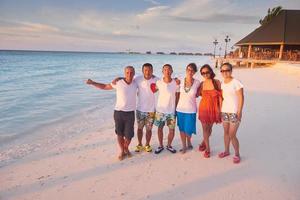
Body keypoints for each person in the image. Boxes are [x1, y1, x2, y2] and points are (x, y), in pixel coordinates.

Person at [86, 66, 137, 161]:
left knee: (129, 135)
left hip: (130, 113)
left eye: (131, 72)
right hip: (118, 113)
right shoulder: (118, 83)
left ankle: (126, 148)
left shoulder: (136, 83)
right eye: (127, 72)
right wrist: (93, 83)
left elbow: (147, 78)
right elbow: (105, 86)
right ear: (124, 73)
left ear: (134, 73)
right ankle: (122, 150)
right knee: (120, 134)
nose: (129, 74)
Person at [218, 63, 244, 164]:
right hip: (224, 111)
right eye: (223, 71)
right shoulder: (222, 83)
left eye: (227, 70)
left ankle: (237, 154)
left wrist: (239, 111)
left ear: (231, 70)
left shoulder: (236, 82)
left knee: (232, 134)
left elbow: (241, 97)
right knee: (225, 133)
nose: (225, 72)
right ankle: (226, 151)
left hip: (234, 112)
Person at [151, 64, 179, 154]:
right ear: (162, 72)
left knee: (172, 130)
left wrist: (176, 108)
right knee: (160, 128)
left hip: (171, 111)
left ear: (172, 71)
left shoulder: (176, 83)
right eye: (165, 70)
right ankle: (160, 145)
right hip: (160, 111)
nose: (167, 71)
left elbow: (178, 96)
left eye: (169, 69)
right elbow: (151, 84)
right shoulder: (158, 82)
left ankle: (169, 145)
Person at [198, 64, 222, 158]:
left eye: (207, 72)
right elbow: (197, 94)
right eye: (203, 73)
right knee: (205, 129)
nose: (205, 74)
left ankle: (203, 142)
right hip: (203, 108)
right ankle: (208, 149)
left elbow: (221, 97)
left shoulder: (217, 82)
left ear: (211, 72)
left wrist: (220, 109)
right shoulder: (201, 84)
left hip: (214, 108)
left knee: (209, 129)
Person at [134, 63, 159, 153]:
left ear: (152, 70)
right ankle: (140, 144)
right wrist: (118, 79)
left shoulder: (157, 80)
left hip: (151, 110)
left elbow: (166, 82)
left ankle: (147, 144)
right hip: (140, 109)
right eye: (145, 70)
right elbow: (127, 80)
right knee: (139, 128)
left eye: (149, 70)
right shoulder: (137, 79)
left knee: (149, 129)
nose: (147, 72)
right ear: (142, 71)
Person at [176, 63, 200, 154]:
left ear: (194, 72)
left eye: (192, 70)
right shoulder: (180, 80)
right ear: (186, 70)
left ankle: (189, 141)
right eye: (188, 69)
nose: (190, 72)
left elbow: (199, 93)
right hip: (180, 109)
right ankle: (184, 146)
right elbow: (177, 93)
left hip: (191, 109)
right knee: (182, 129)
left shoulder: (197, 82)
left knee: (189, 129)